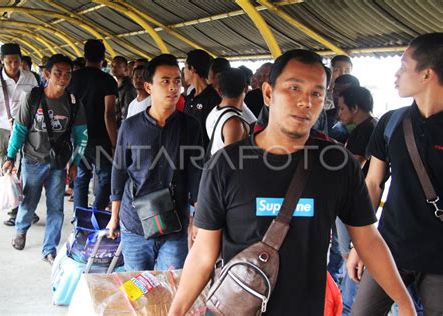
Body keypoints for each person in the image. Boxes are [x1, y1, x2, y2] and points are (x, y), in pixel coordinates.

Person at [168, 49, 415, 316]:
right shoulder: (225, 164)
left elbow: (368, 240)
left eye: (317, 93)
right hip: (237, 308)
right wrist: (176, 312)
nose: (305, 102)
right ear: (268, 94)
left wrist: (403, 302)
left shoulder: (337, 164)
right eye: (294, 88)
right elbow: (204, 254)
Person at [348, 32, 443, 316]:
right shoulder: (391, 123)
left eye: (403, 66)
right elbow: (373, 184)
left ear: (427, 75)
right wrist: (360, 245)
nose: (396, 74)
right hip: (389, 250)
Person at [106, 54, 202, 271]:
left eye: (177, 81)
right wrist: (114, 217)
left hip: (175, 224)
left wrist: (198, 219)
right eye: (165, 81)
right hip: (135, 223)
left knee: (169, 288)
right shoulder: (130, 127)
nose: (173, 87)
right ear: (149, 87)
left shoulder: (190, 126)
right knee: (138, 289)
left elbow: (196, 173)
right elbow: (119, 171)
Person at [3, 54, 87, 264]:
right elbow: (20, 130)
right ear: (47, 74)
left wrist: (75, 162)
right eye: (58, 72)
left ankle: (49, 249)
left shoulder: (74, 103)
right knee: (29, 202)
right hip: (32, 160)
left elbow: (81, 136)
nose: (63, 77)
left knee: (56, 207)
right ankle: (21, 230)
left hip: (58, 164)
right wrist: (11, 156)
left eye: (68, 73)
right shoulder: (32, 98)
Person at [0, 43, 38, 226]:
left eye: (17, 62)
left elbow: (37, 106)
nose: (13, 65)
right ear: (3, 62)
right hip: (3, 131)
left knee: (24, 170)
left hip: (26, 131)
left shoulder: (30, 78)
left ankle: (22, 209)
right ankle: (15, 207)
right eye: (9, 62)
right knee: (7, 170)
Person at [335, 86, 377, 314]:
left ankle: (349, 303)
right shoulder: (368, 126)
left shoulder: (365, 129)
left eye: (342, 108)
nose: (339, 113)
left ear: (355, 108)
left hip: (353, 202)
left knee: (350, 253)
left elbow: (354, 164)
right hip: (355, 201)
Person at [68, 39, 118, 212]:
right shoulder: (108, 80)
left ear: (84, 55)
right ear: (103, 58)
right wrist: (114, 143)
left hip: (78, 136)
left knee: (81, 177)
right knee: (106, 178)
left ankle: (80, 219)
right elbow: (109, 114)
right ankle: (95, 213)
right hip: (101, 137)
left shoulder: (73, 78)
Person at [205, 68, 250, 157]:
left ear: (219, 90)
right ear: (246, 88)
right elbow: (231, 162)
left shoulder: (213, 112)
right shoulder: (233, 123)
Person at [183, 49, 221, 149]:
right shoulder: (190, 96)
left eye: (185, 67)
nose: (183, 71)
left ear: (192, 69)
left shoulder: (213, 99)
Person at [111, 56, 136, 124]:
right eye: (112, 65)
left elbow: (127, 113)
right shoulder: (117, 85)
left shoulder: (128, 88)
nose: (113, 68)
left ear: (126, 68)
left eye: (118, 66)